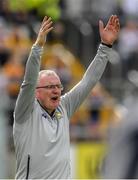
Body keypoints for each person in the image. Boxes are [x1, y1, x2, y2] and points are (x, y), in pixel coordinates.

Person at [13, 15, 120, 179]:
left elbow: (88, 82)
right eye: (50, 87)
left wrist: (105, 46)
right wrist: (38, 47)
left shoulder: (64, 107)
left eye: (58, 86)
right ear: (36, 91)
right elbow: (28, 82)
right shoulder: (25, 111)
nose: (56, 90)